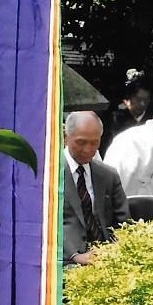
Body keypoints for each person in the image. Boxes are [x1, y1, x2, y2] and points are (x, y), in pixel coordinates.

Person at [63, 111, 130, 266]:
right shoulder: (48, 174)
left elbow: (124, 222)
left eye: (95, 143)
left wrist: (115, 250)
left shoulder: (107, 175)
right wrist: (73, 255)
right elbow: (38, 226)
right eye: (81, 142)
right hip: (66, 261)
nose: (88, 149)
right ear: (66, 138)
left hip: (106, 256)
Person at [102, 69, 153, 153]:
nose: (142, 103)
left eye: (146, 100)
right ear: (130, 97)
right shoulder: (115, 119)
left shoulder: (152, 119)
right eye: (138, 99)